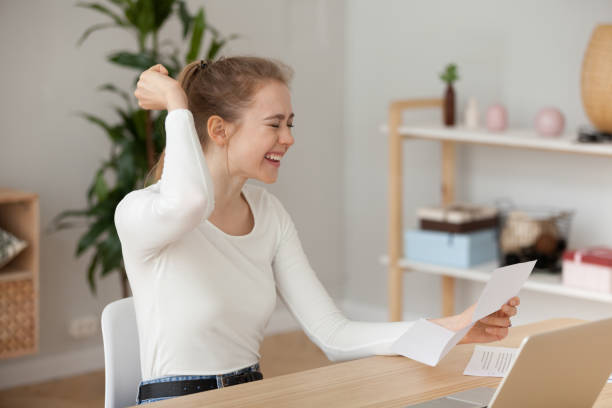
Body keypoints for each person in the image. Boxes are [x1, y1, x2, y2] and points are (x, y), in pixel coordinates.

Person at [114, 56, 519, 405]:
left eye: (290, 124)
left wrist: (455, 328)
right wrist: (176, 105)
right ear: (219, 130)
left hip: (251, 396)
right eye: (274, 124)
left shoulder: (269, 214)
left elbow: (335, 334)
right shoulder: (141, 213)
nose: (288, 139)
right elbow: (189, 203)